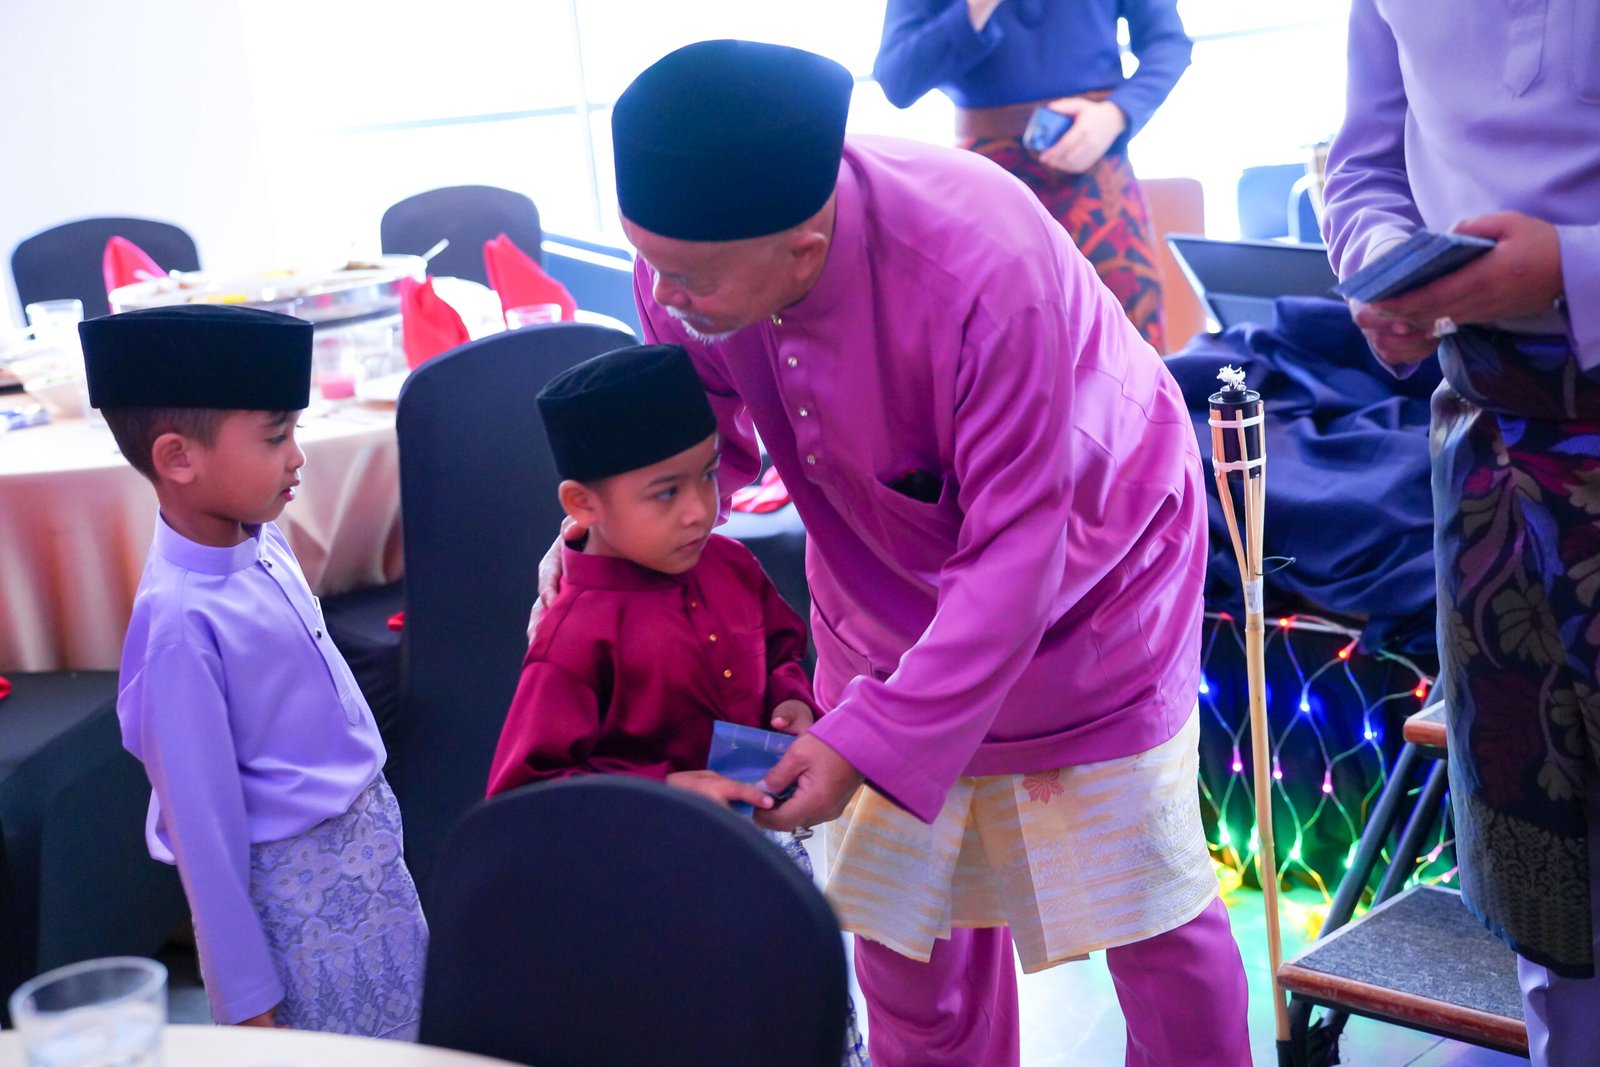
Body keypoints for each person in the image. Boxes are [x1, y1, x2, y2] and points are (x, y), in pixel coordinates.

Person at [591, 39, 1251, 1067]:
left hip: (1090, 576)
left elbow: (1019, 553)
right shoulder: (691, 262)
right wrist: (607, 536)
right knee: (901, 924)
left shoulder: (986, 265)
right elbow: (703, 446)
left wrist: (866, 744)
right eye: (651, 261)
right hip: (875, 584)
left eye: (689, 276)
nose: (664, 293)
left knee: (1143, 910)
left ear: (803, 250)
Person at [1321, 4, 1600, 1064]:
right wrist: (1382, 264)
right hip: (1488, 448)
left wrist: (1574, 265)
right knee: (1545, 870)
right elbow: (1362, 162)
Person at [486, 342, 869, 1065]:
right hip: (654, 893)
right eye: (666, 493)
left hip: (765, 866)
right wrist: (663, 793)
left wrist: (792, 700)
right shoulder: (574, 635)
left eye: (708, 476)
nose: (700, 511)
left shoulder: (729, 563)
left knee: (791, 1020)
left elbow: (782, 646)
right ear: (583, 504)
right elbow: (525, 797)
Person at [81, 305, 427, 1038]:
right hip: (302, 916)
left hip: (368, 871)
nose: (297, 456)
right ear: (178, 458)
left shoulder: (263, 541)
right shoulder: (180, 626)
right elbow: (203, 834)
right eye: (276, 436)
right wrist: (247, 1002)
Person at [873, 0, 1191, 352]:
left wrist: (1117, 114)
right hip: (986, 184)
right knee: (997, 347)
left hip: (1096, 163)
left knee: (1128, 345)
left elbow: (1168, 43)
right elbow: (897, 80)